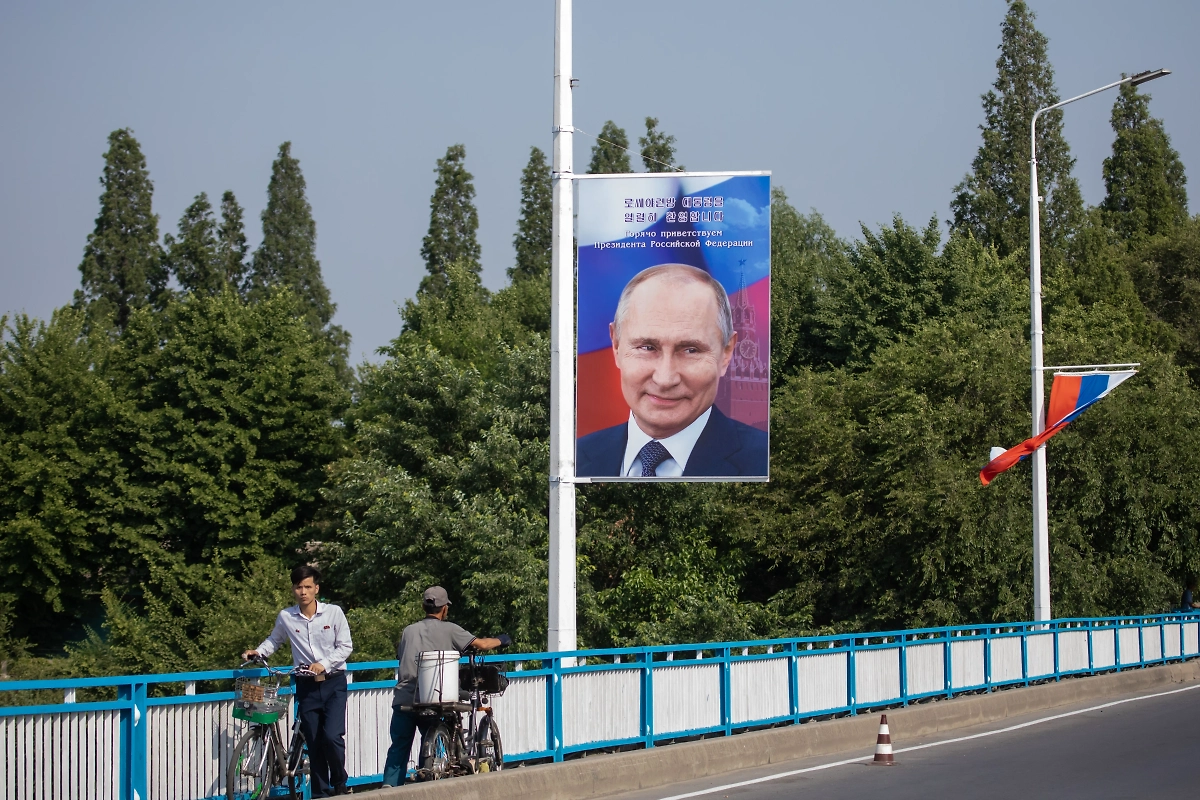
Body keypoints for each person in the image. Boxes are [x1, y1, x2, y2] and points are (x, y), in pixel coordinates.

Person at [576, 263, 768, 477]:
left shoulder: (765, 460)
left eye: (690, 350)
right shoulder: (575, 458)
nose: (665, 379)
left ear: (726, 353)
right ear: (616, 346)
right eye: (647, 348)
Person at [380, 586, 511, 787]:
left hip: (404, 698)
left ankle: (388, 789)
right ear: (444, 609)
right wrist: (502, 640)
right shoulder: (450, 629)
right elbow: (482, 645)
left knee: (398, 748)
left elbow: (401, 657)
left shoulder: (408, 631)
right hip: (433, 696)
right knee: (441, 731)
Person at [242, 565, 354, 798]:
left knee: (332, 736)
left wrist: (324, 663)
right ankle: (321, 793)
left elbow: (345, 647)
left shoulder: (333, 613)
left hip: (333, 683)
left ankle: (340, 781)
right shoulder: (286, 616)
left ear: (316, 589)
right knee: (313, 742)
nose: (303, 591)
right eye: (298, 587)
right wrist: (258, 653)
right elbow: (274, 640)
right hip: (306, 686)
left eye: (307, 587)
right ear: (293, 589)